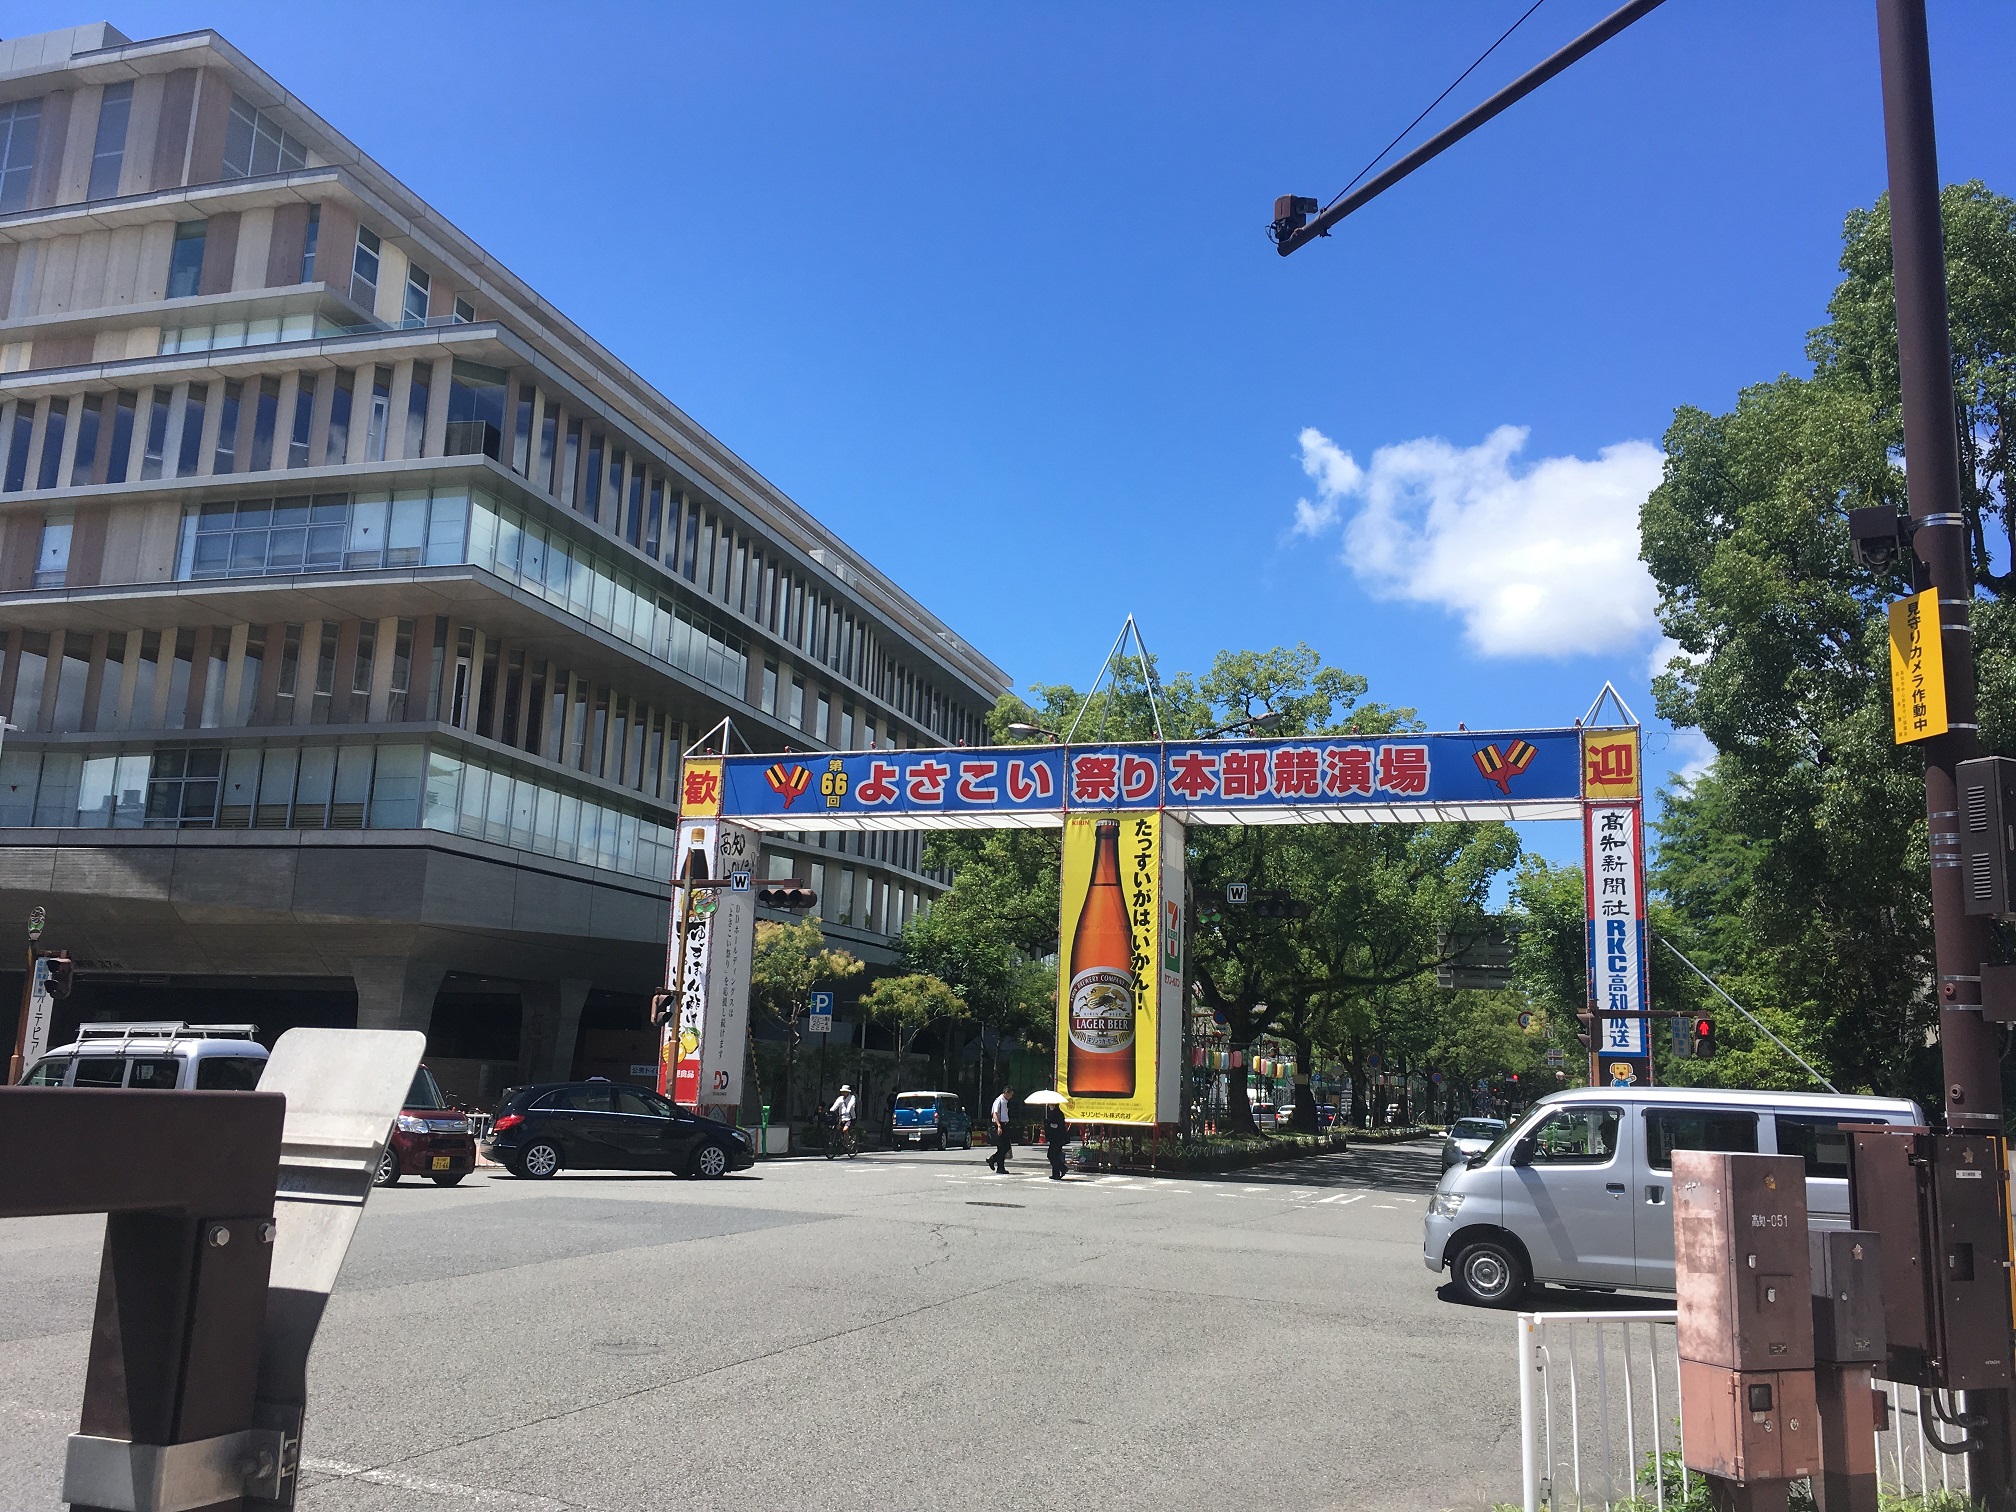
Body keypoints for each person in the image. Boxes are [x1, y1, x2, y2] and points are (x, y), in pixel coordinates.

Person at [986, 1084, 1015, 1173]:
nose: (1011, 1096)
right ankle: (993, 1160)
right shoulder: (999, 1100)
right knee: (1004, 1147)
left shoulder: (1005, 1101)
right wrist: (998, 1125)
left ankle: (1000, 1167)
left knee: (1003, 1147)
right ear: (1006, 1093)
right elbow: (995, 1114)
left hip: (1004, 1124)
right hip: (999, 1124)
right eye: (1010, 1094)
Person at [1043, 1101, 1069, 1180]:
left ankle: (1063, 1168)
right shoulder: (1053, 1112)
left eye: (1050, 1104)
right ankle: (1056, 1174)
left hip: (1057, 1138)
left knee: (1051, 1155)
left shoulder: (1057, 1113)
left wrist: (1048, 1123)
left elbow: (1057, 1125)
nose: (1049, 1105)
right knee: (1055, 1155)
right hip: (1055, 1138)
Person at [830, 1085, 856, 1152]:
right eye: (842, 1092)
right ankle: (840, 1141)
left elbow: (850, 1104)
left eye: (844, 1091)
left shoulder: (852, 1097)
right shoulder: (840, 1098)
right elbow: (835, 1105)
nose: (843, 1093)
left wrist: (847, 1111)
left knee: (845, 1130)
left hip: (850, 1118)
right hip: (841, 1118)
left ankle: (847, 1144)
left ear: (848, 1092)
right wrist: (831, 1111)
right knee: (837, 1128)